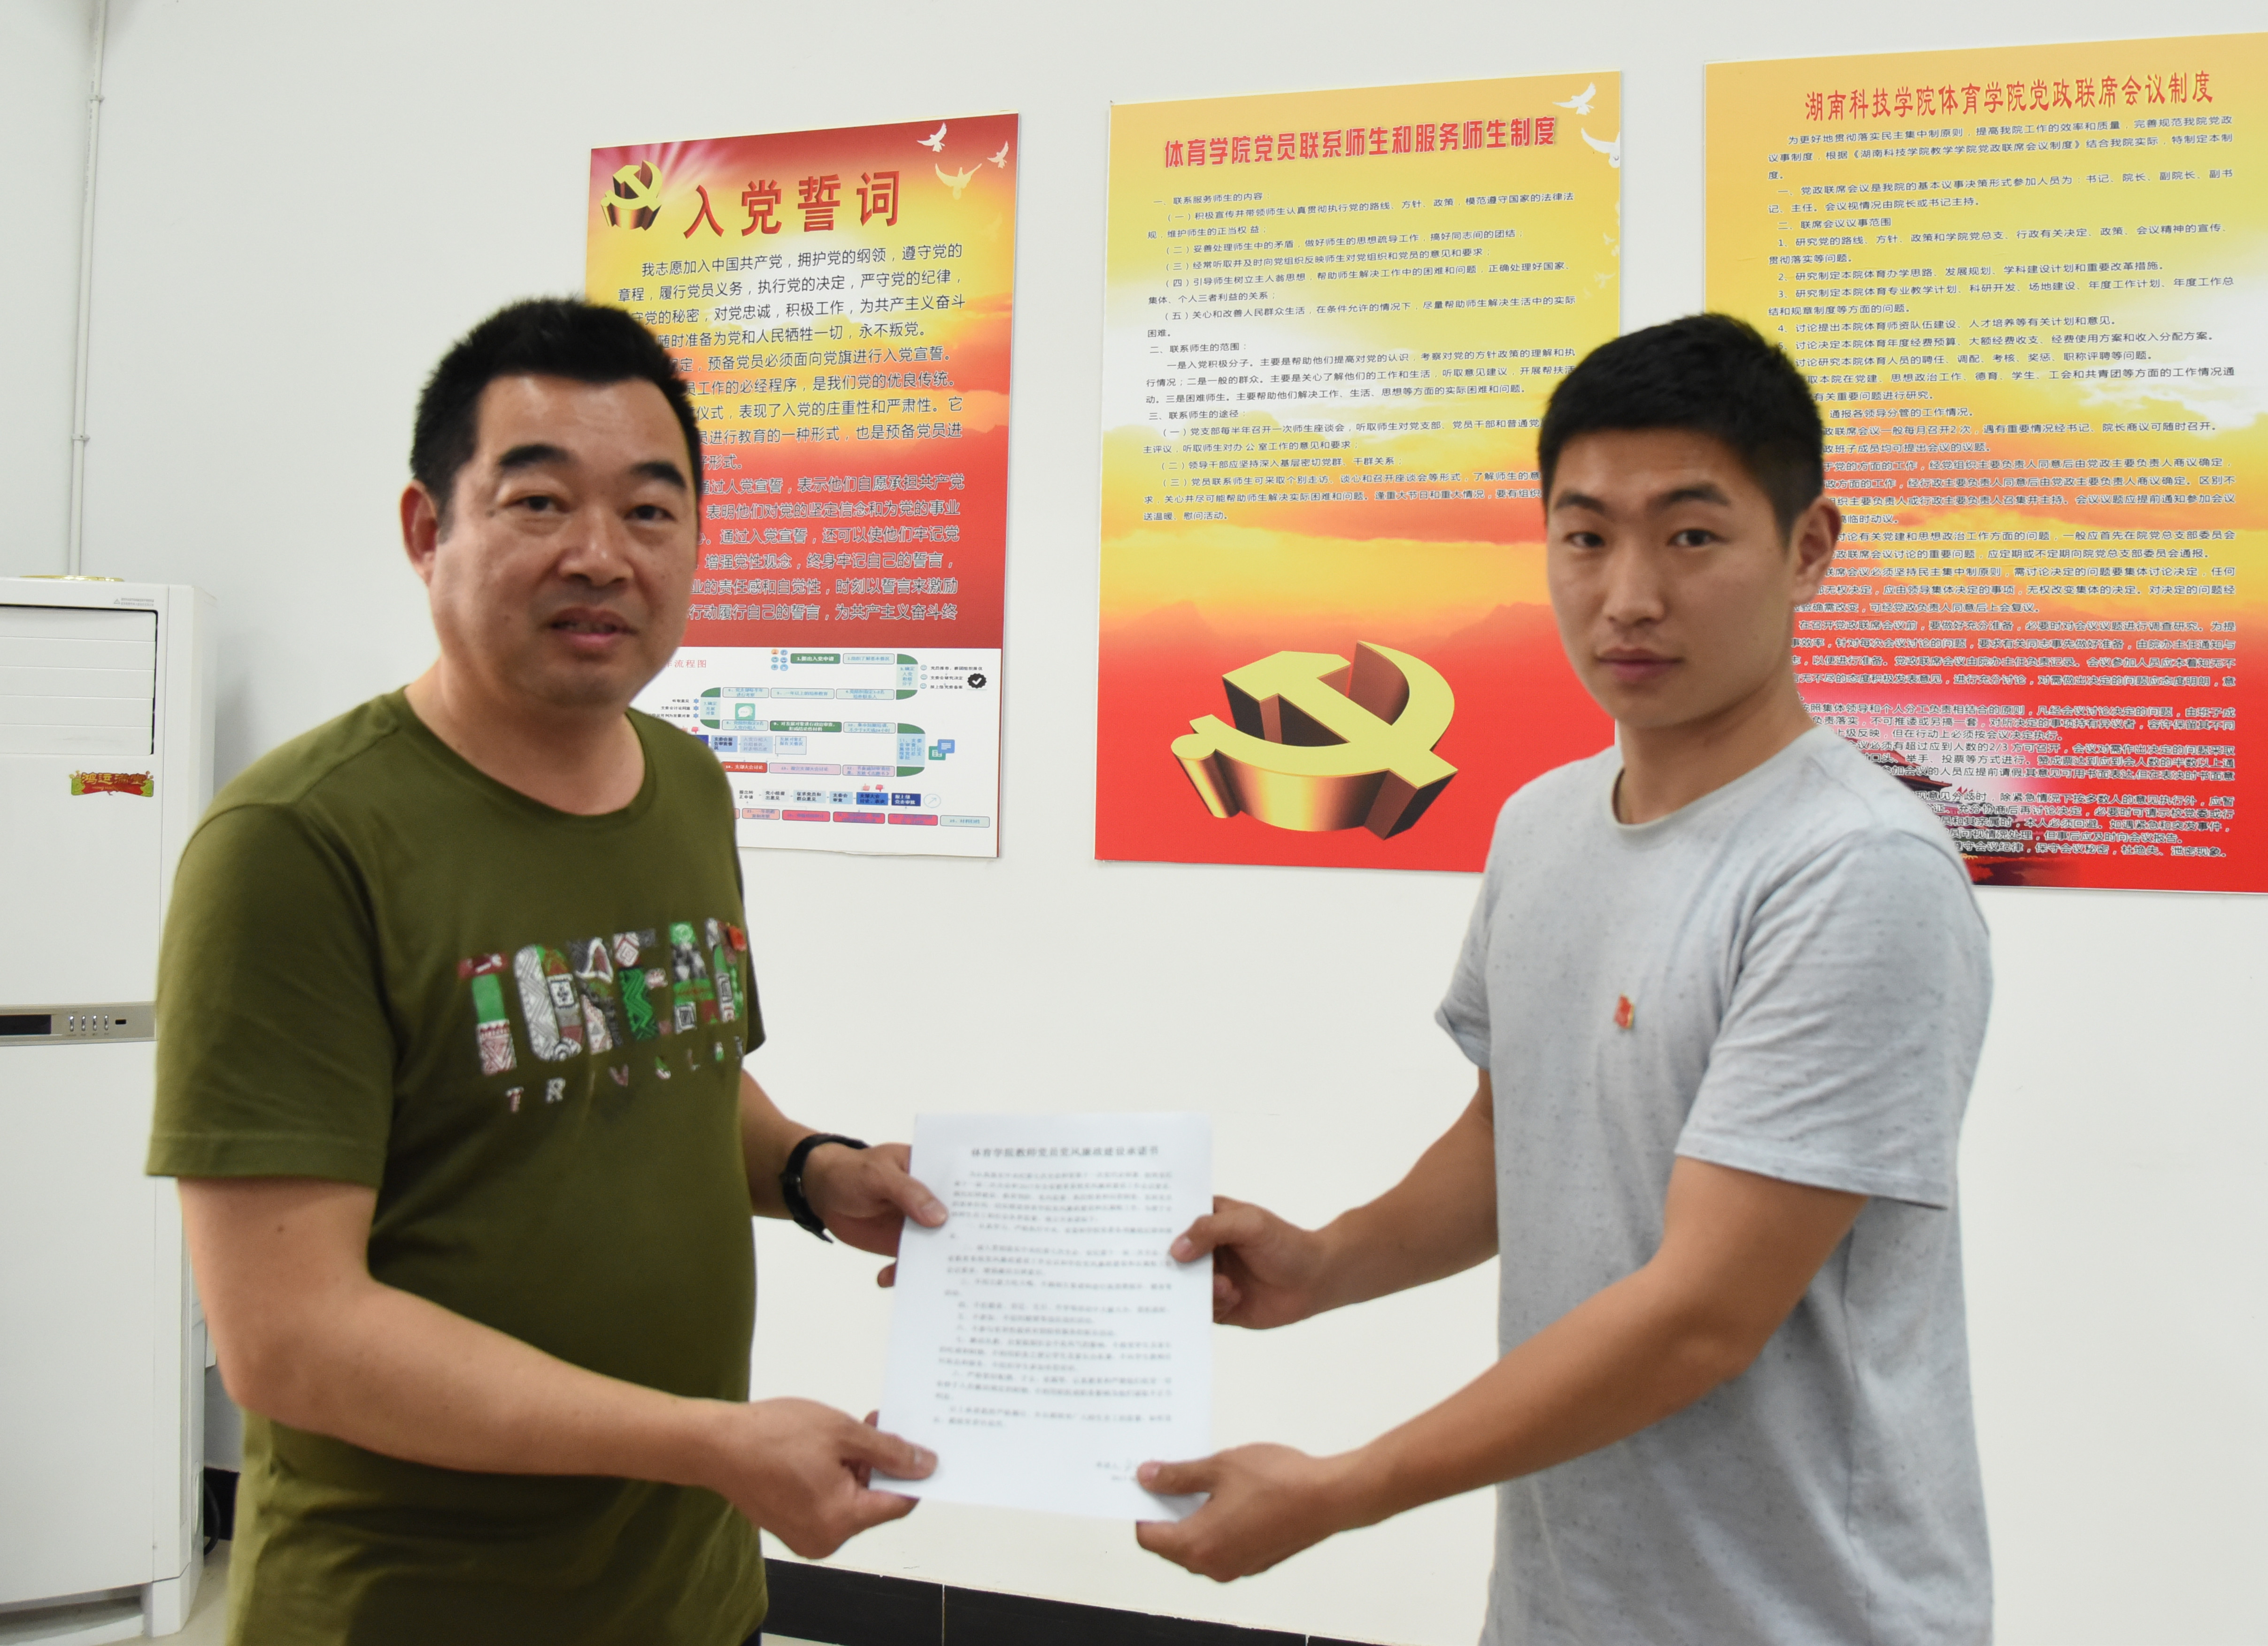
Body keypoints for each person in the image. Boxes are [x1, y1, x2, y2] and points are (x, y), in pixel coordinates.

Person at [1136, 314, 1993, 1645]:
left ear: (1809, 549)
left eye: (1691, 536)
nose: (1629, 595)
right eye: (1586, 537)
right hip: (1567, 1604)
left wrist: (1345, 1488)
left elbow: (1702, 1316)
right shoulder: (1543, 825)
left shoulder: (1854, 868)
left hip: (1801, 1613)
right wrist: (1324, 1264)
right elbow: (1515, 1134)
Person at [147, 297, 938, 1645]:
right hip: (411, 1612)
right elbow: (289, 1336)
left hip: (687, 1597)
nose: (602, 555)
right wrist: (708, 1441)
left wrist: (815, 1172)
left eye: (650, 510)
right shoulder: (298, 842)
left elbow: (669, 1071)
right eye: (538, 503)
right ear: (427, 530)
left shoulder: (685, 784)